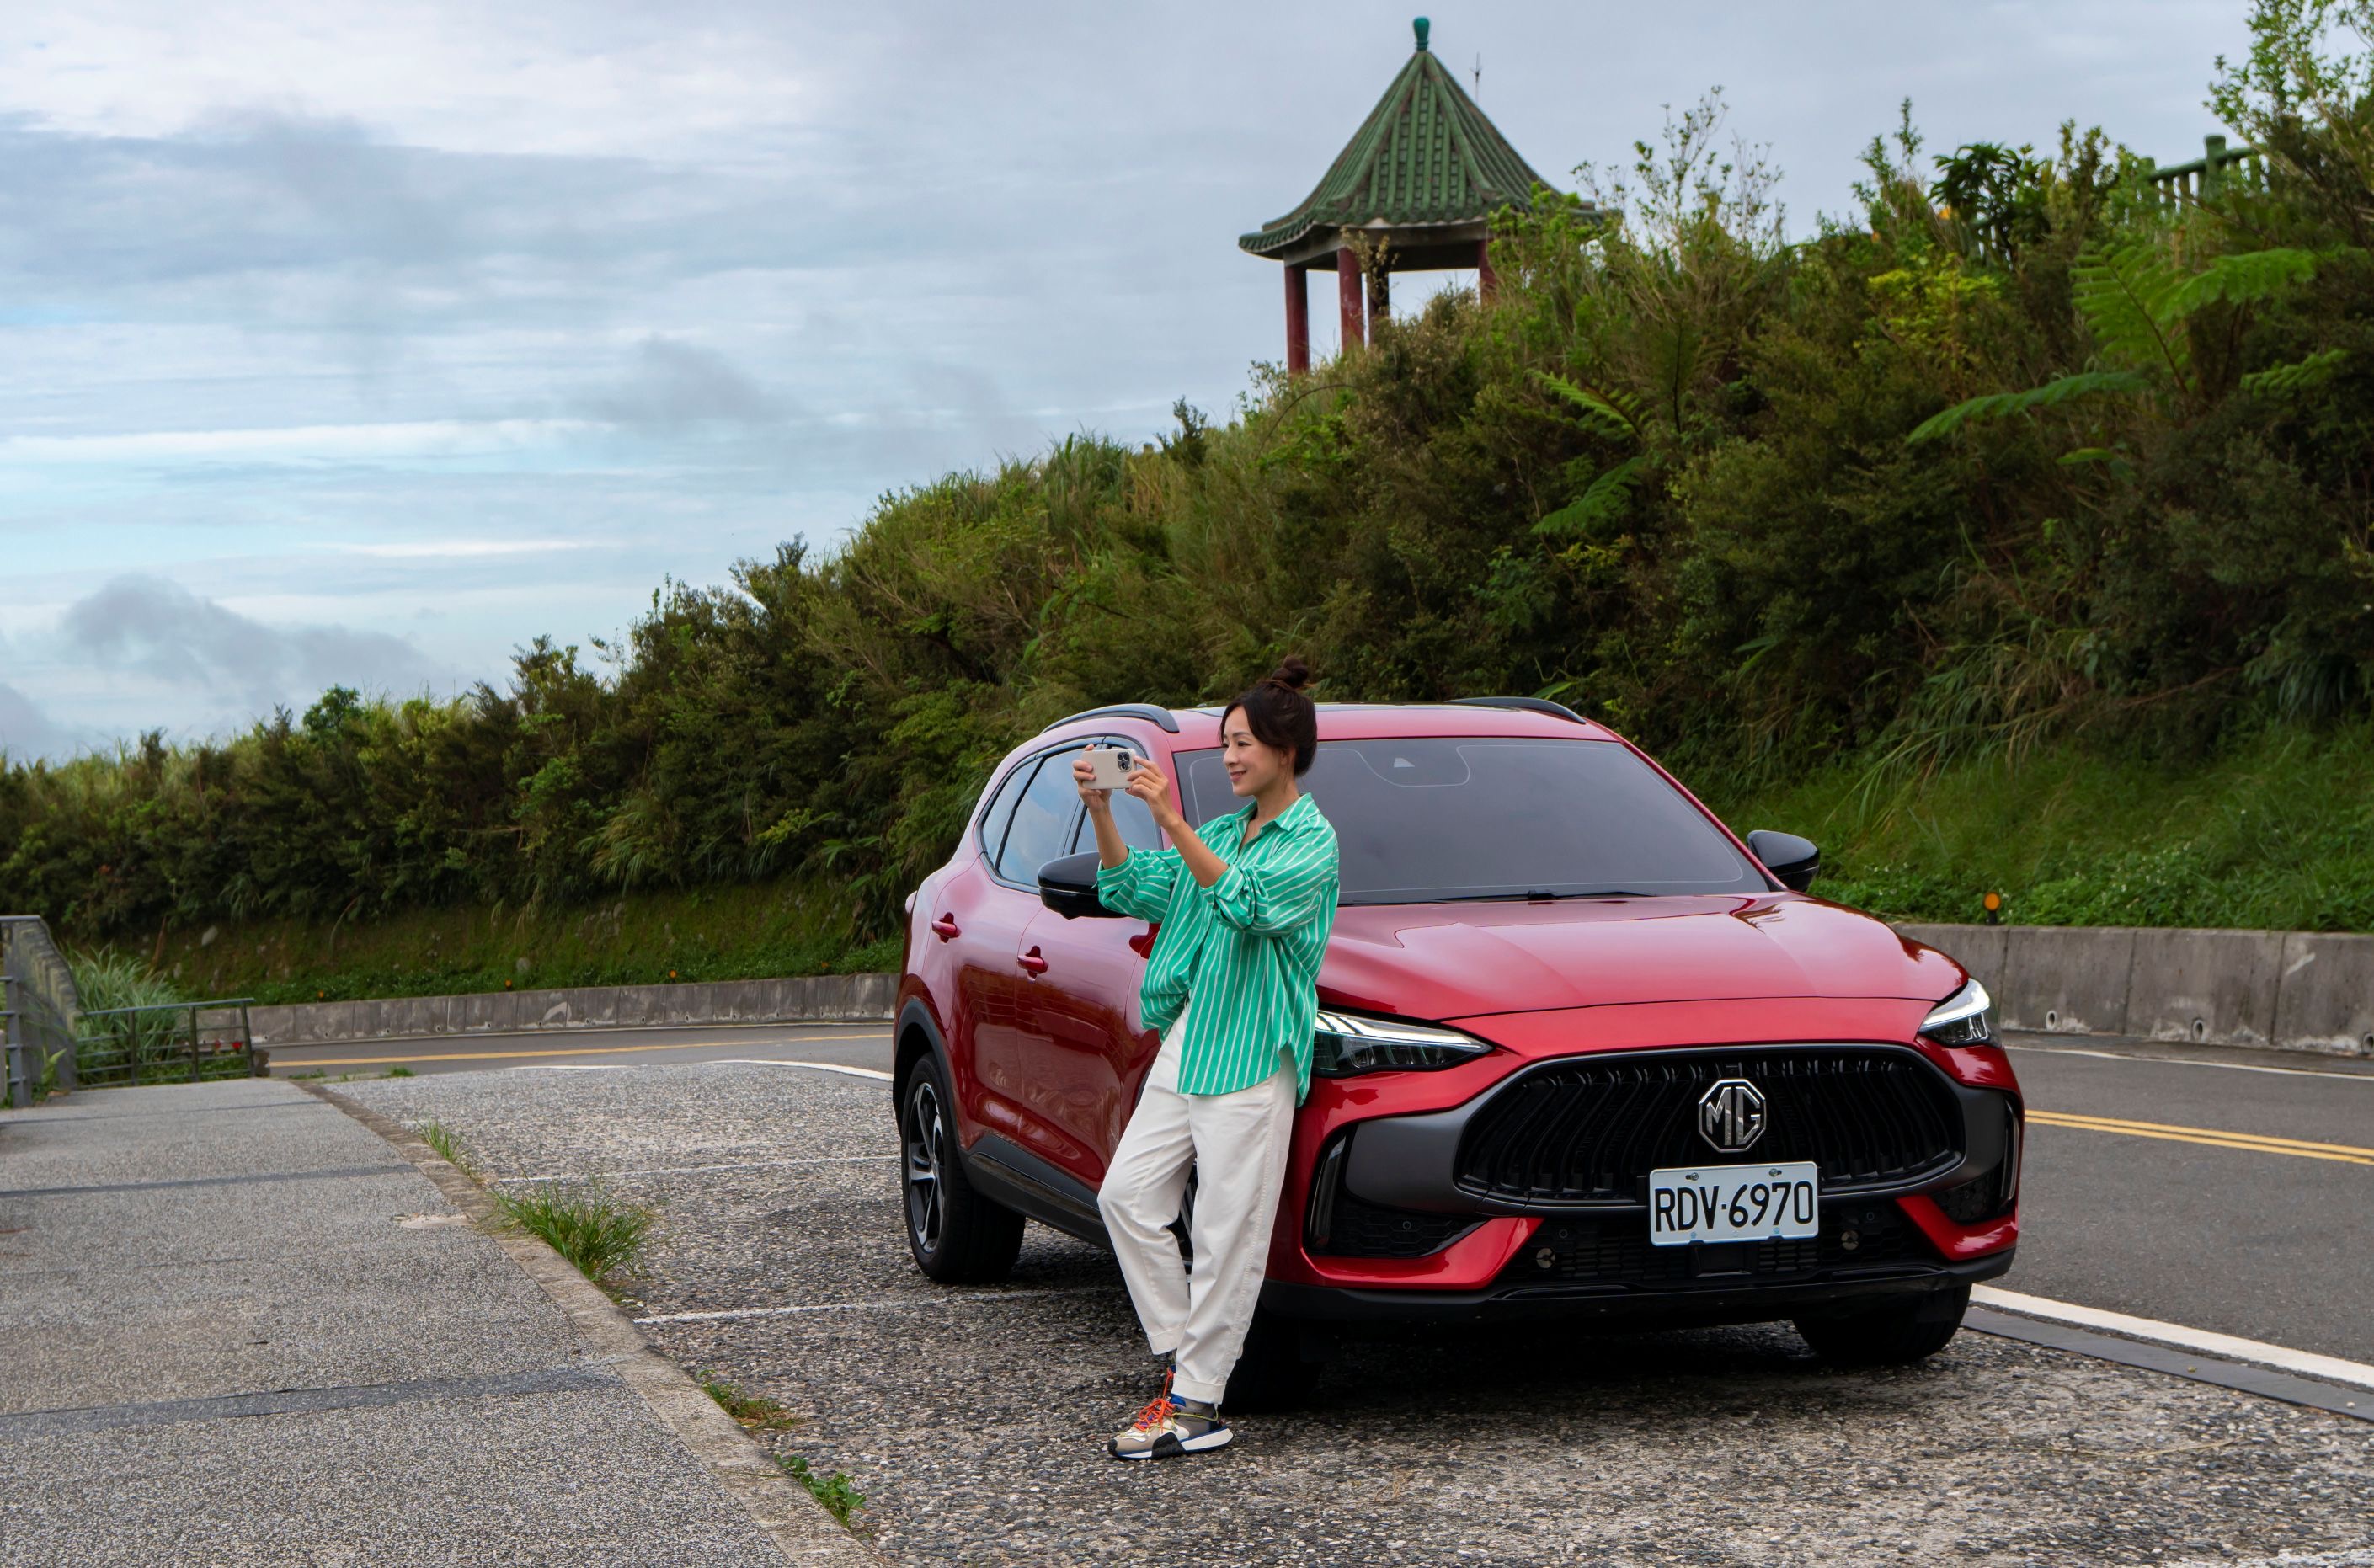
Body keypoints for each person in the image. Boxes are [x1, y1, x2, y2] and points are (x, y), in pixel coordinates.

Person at [1071, 655, 1340, 1460]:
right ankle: (1185, 1361)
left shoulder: (1312, 842)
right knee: (1126, 1197)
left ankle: (1195, 1405)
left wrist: (1174, 821)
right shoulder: (1223, 831)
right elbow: (1132, 886)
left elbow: (1248, 905)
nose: (1227, 758)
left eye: (1242, 744)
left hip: (1256, 1048)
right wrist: (1104, 814)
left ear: (1285, 752)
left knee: (1228, 1232)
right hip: (1193, 1036)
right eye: (1224, 743)